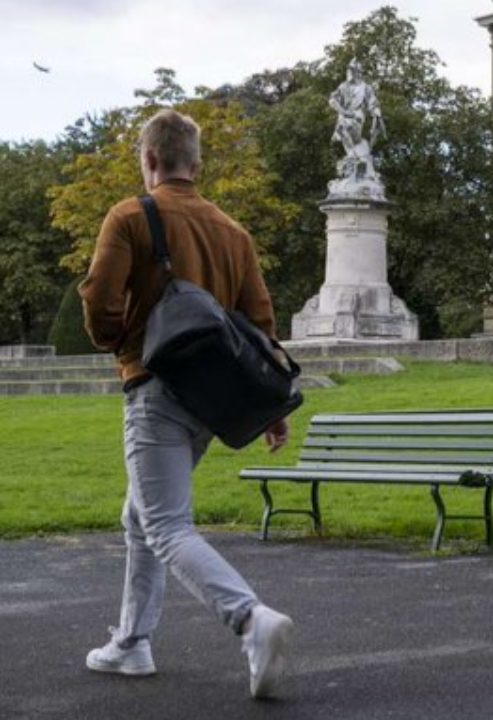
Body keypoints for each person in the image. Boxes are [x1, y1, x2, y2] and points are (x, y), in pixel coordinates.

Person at [78, 109, 294, 700]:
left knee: (167, 525)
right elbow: (259, 327)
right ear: (195, 165)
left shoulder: (129, 216)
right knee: (140, 516)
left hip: (156, 391)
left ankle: (251, 620)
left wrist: (120, 342)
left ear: (150, 159)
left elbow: (100, 305)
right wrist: (273, 407)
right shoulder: (232, 231)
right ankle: (132, 642)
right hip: (213, 402)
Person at [329, 59, 384, 177]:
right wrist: (342, 110)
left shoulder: (366, 87)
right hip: (344, 115)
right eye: (349, 70)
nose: (350, 72)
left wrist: (376, 111)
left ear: (358, 72)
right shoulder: (343, 86)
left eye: (353, 70)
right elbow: (332, 99)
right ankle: (352, 156)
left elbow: (372, 103)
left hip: (357, 117)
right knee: (341, 127)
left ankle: (353, 156)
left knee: (344, 127)